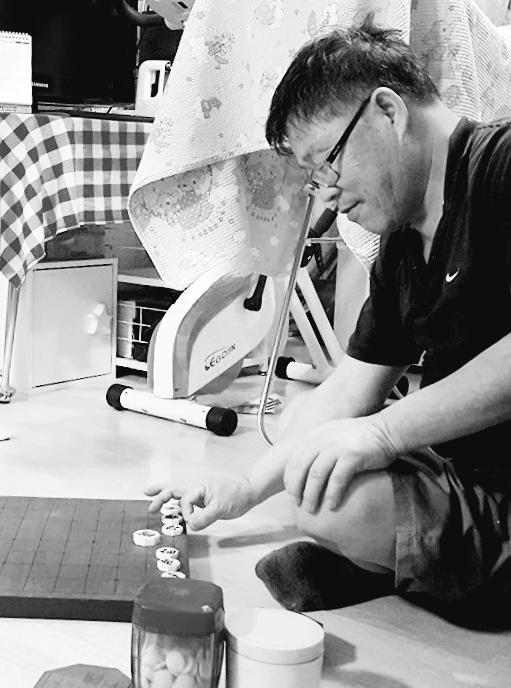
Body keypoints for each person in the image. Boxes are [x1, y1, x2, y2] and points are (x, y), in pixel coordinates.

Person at [146, 17, 511, 626]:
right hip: (464, 474)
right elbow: (350, 387)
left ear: (387, 112)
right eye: (315, 179)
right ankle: (408, 562)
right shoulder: (403, 243)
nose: (328, 196)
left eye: (328, 163)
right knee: (308, 444)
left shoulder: (500, 167)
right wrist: (246, 488)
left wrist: (382, 434)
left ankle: (405, 566)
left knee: (332, 498)